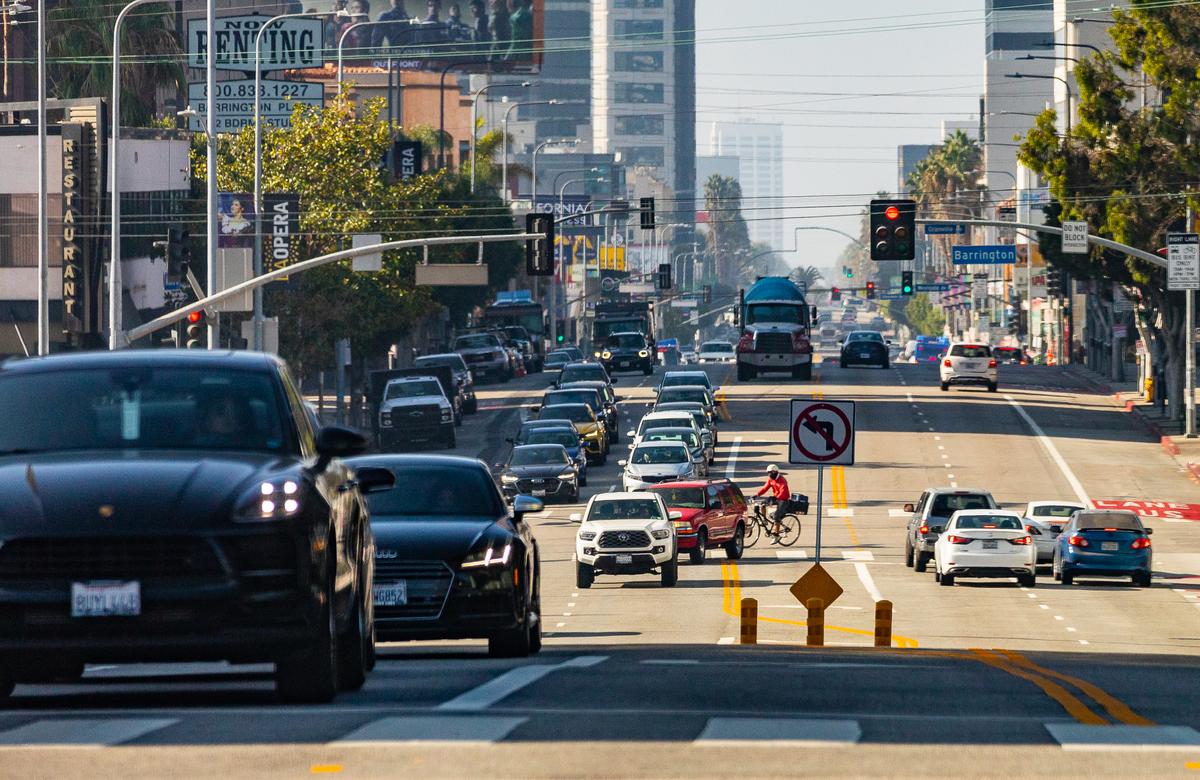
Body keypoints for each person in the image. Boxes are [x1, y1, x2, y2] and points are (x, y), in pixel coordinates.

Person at [755, 464, 791, 542]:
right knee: (763, 504)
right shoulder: (770, 479)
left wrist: (775, 498)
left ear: (775, 472)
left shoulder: (782, 480)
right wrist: (757, 495)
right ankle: (764, 520)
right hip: (776, 498)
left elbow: (783, 491)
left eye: (770, 473)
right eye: (768, 473)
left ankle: (776, 535)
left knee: (776, 516)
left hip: (783, 500)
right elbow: (765, 488)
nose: (769, 474)